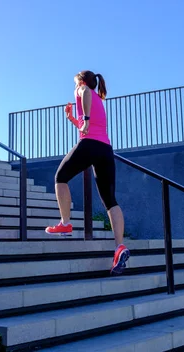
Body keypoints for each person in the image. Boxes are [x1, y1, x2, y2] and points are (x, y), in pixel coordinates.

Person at [45, 70, 130, 275]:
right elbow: (86, 127)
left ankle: (65, 224)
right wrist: (73, 118)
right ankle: (119, 247)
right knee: (110, 200)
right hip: (105, 150)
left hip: (89, 145)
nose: (75, 88)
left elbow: (83, 97)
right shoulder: (99, 100)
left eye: (76, 83)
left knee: (60, 177)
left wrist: (86, 117)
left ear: (82, 81)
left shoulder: (84, 90)